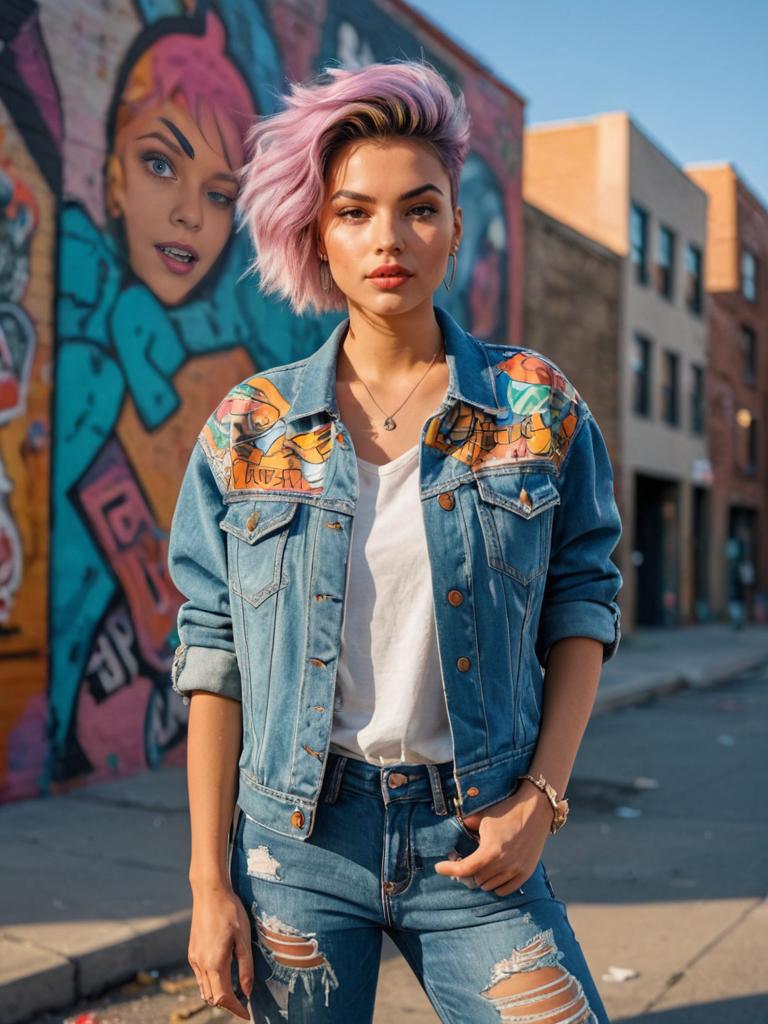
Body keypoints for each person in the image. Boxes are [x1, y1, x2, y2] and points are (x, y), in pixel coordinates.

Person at [168, 59, 623, 1024]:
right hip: (295, 845)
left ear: (456, 227)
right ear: (316, 235)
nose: (389, 239)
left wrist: (542, 798)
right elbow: (212, 653)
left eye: (420, 208)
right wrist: (212, 886)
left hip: (476, 835)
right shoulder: (249, 428)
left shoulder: (535, 408)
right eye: (354, 212)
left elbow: (583, 598)